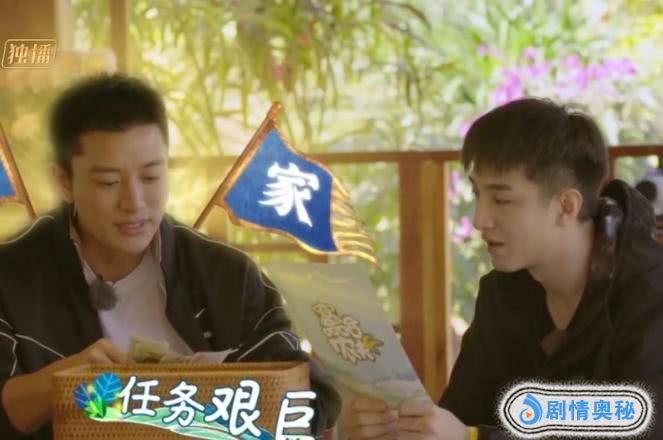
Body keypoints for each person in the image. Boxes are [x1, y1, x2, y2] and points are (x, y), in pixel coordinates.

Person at [0, 73, 340, 439]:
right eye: (108, 182)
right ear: (64, 182)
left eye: (150, 177)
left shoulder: (226, 275)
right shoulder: (12, 277)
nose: (134, 202)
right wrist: (62, 380)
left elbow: (313, 396)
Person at [345, 98, 663, 439]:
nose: (480, 219)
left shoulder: (650, 298)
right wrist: (401, 429)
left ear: (566, 206)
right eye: (477, 194)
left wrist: (472, 437)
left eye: (501, 199)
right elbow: (462, 415)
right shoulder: (502, 293)